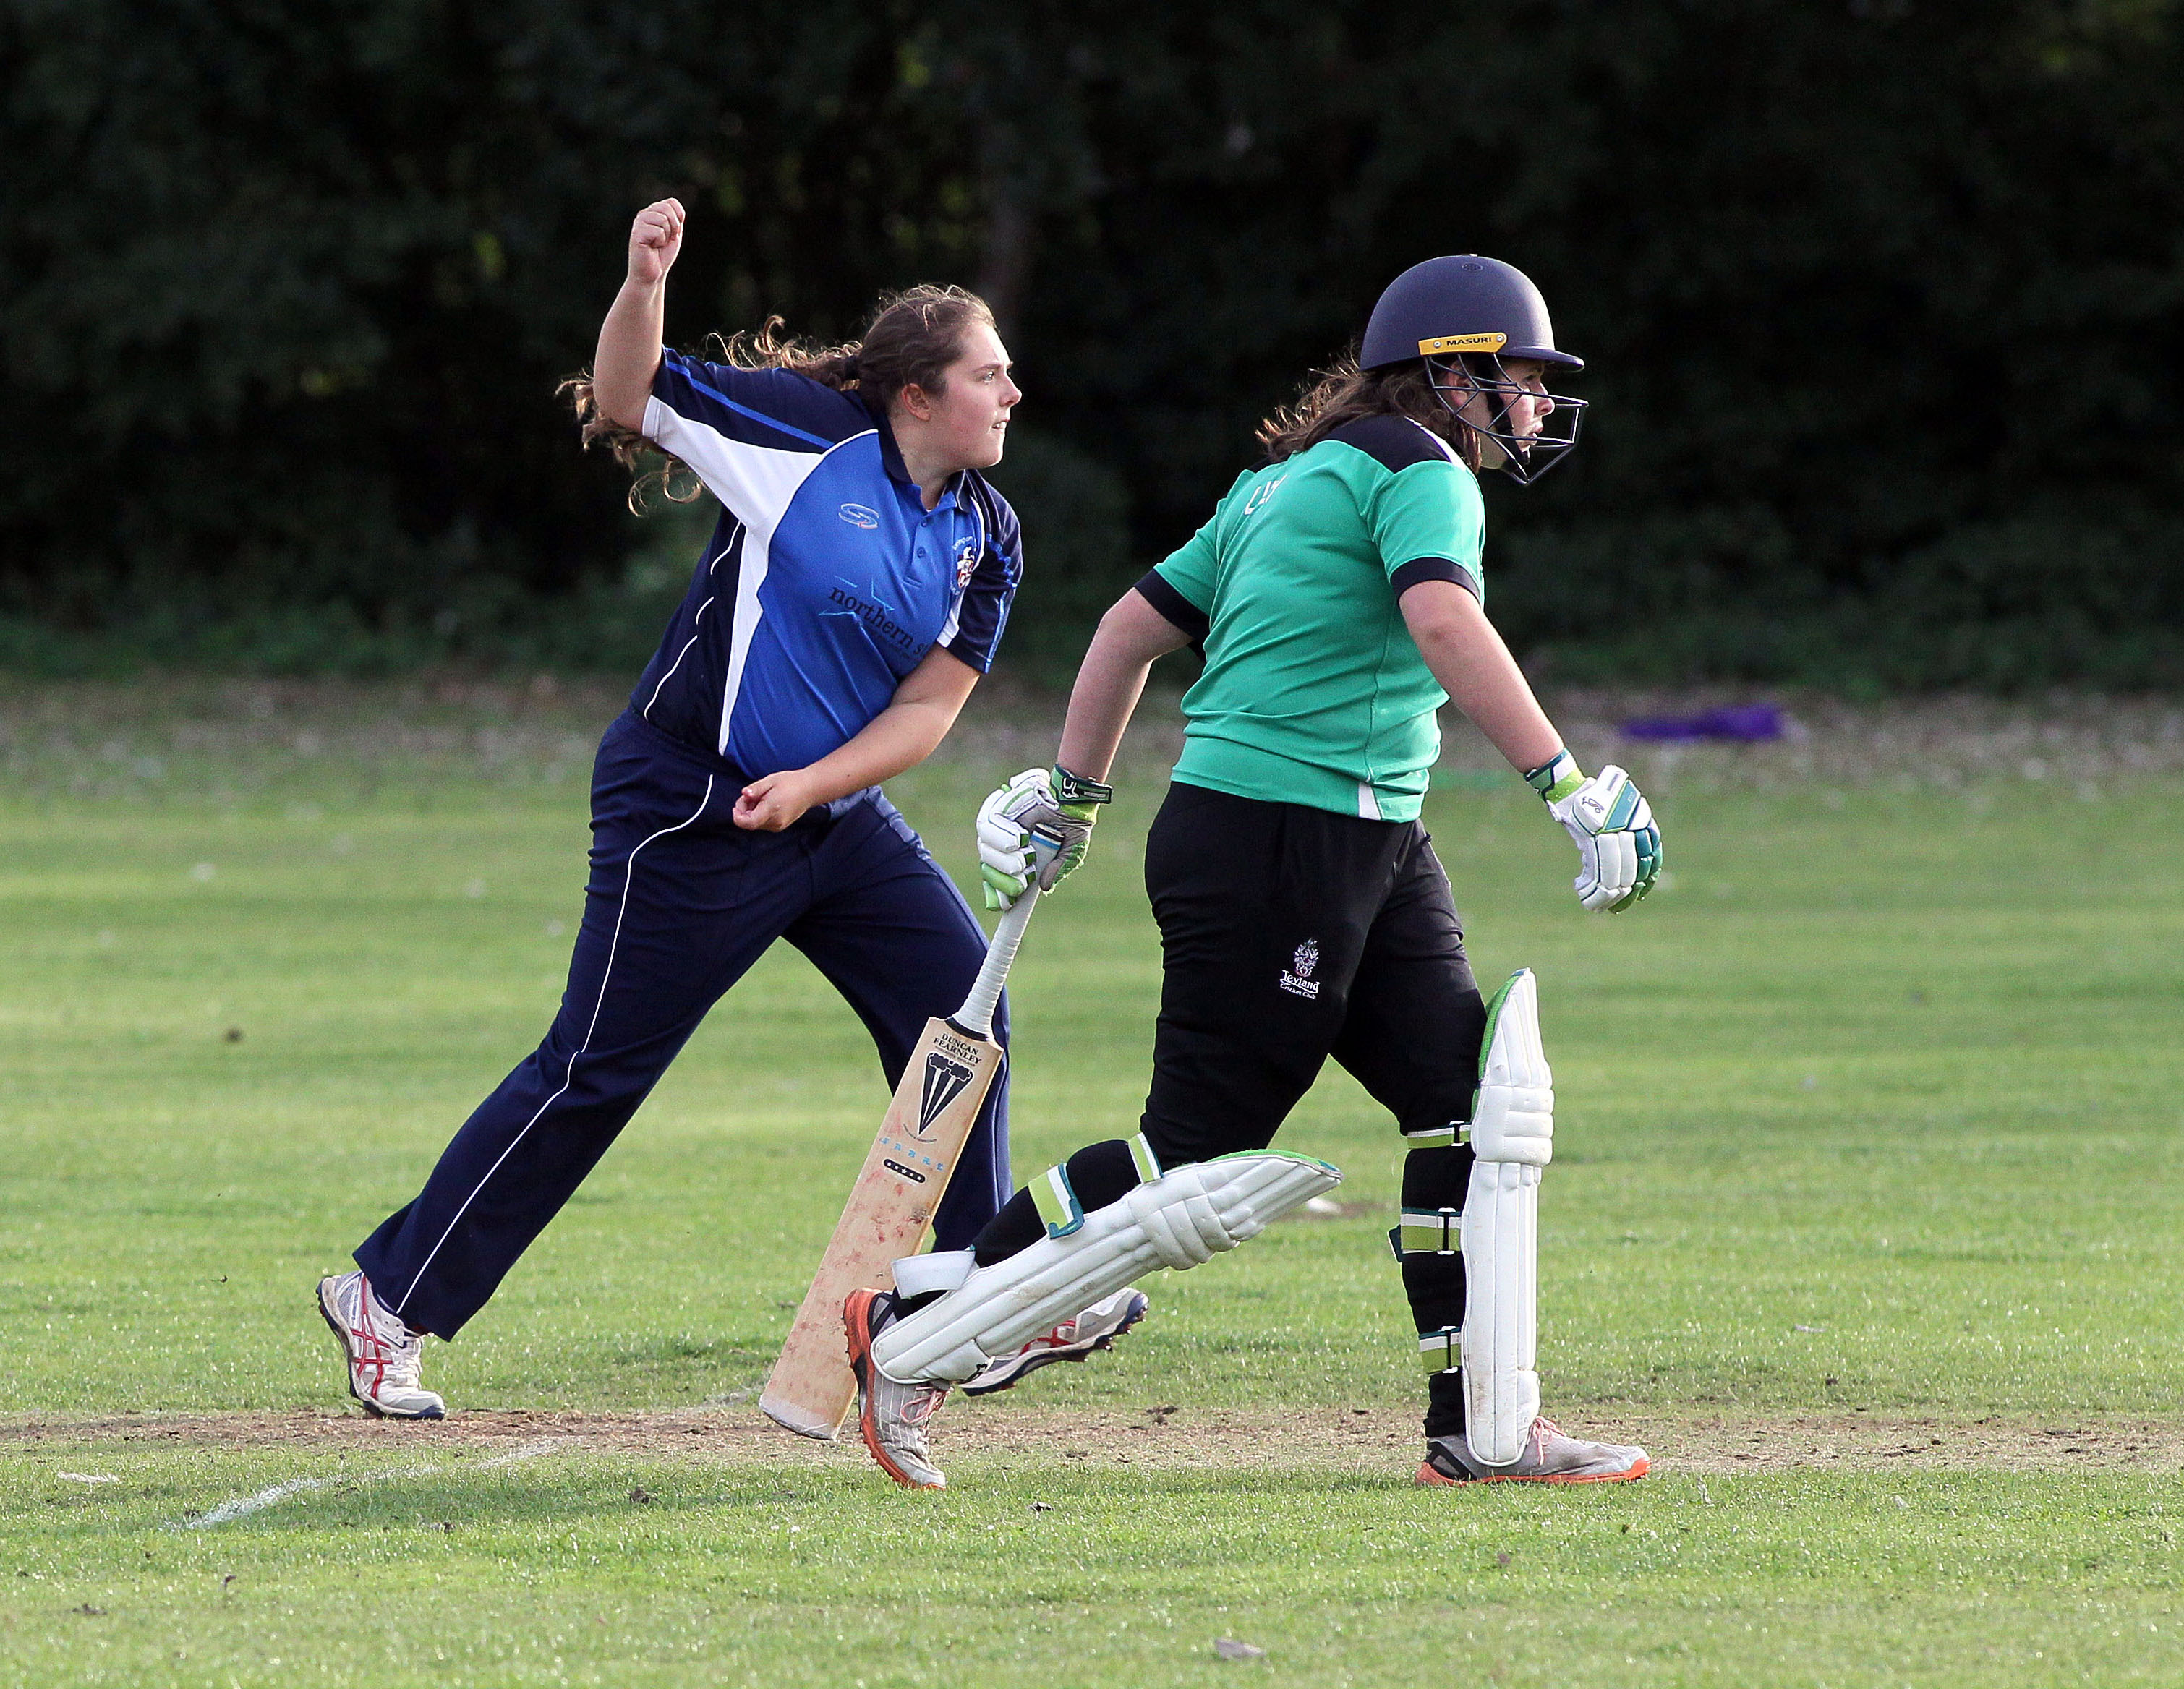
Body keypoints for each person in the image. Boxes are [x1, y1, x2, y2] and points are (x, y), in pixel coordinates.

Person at [840, 255, 1662, 1489]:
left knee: (1468, 1107)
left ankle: (1484, 1427)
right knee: (1195, 1155)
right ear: (1454, 375)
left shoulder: (1281, 482)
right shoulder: (1423, 472)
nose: (1539, 408)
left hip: (1366, 838)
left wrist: (1076, 790)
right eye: (1525, 380)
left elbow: (1125, 631)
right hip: (1279, 836)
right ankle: (917, 1329)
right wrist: (1567, 784)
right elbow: (1445, 621)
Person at [317, 199, 1145, 1419]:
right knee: (593, 1071)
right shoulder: (808, 437)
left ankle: (981, 1299)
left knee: (964, 1015)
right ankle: (386, 1297)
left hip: (829, 820)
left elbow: (930, 707)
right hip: (687, 807)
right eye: (990, 374)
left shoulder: (989, 534)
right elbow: (626, 395)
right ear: (918, 395)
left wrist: (816, 785)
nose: (1014, 393)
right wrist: (644, 282)